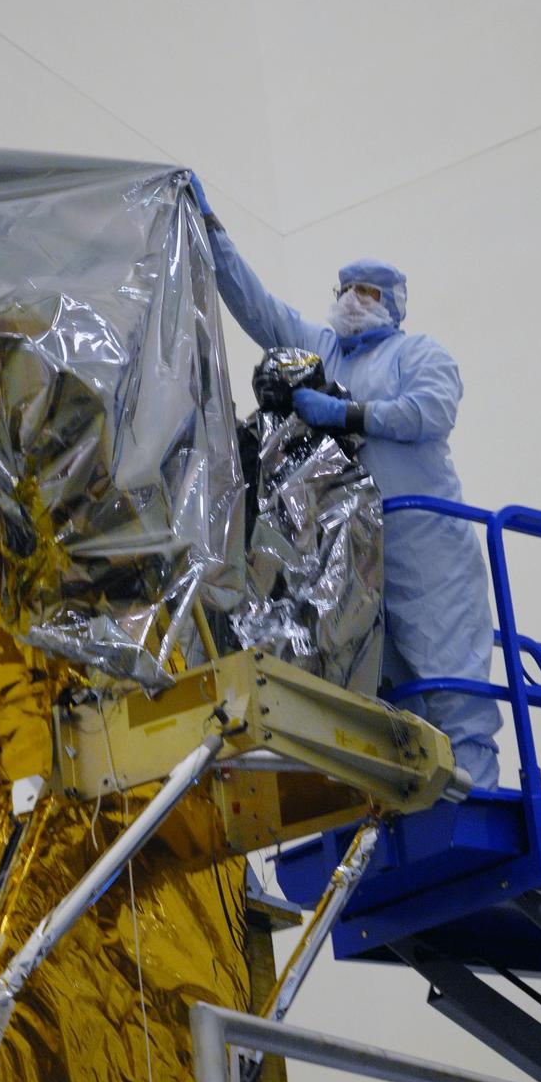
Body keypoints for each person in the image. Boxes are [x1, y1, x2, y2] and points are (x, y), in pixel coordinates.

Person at [189, 173, 500, 789]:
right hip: (356, 552)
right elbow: (257, 306)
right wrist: (214, 234)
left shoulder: (421, 355)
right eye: (345, 289)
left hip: (426, 539)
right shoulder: (324, 349)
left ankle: (476, 797)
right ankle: (403, 805)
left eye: (366, 291)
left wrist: (351, 415)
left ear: (391, 301)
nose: (352, 299)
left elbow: (429, 412)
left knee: (449, 679)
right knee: (382, 690)